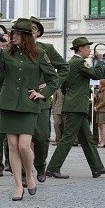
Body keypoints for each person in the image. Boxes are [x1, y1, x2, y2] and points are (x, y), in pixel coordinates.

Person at [0, 18, 57, 201]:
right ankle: (18, 186)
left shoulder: (39, 53)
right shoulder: (6, 53)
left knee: (23, 145)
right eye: (13, 33)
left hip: (28, 105)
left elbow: (54, 79)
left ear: (27, 36)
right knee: (12, 145)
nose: (14, 36)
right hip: (8, 103)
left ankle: (29, 173)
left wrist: (43, 94)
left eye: (18, 33)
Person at [46, 37, 105, 180]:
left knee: (87, 139)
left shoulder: (70, 63)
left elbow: (63, 86)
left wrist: (71, 97)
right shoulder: (78, 62)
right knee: (68, 138)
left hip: (75, 105)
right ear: (80, 49)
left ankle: (97, 168)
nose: (89, 50)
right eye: (88, 48)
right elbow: (97, 74)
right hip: (77, 106)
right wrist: (100, 61)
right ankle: (52, 168)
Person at [29, 16, 70, 183]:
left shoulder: (47, 49)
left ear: (38, 32)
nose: (29, 30)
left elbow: (64, 68)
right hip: (19, 99)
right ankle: (21, 170)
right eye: (27, 27)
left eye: (33, 28)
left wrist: (48, 88)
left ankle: (40, 166)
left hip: (40, 99)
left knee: (41, 137)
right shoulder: (16, 48)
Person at [94, 78, 105, 147]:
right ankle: (101, 140)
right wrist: (95, 96)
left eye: (100, 84)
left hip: (104, 110)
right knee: (99, 125)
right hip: (99, 111)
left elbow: (104, 101)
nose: (98, 85)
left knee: (103, 125)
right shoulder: (100, 92)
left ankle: (104, 141)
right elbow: (98, 100)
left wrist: (97, 107)